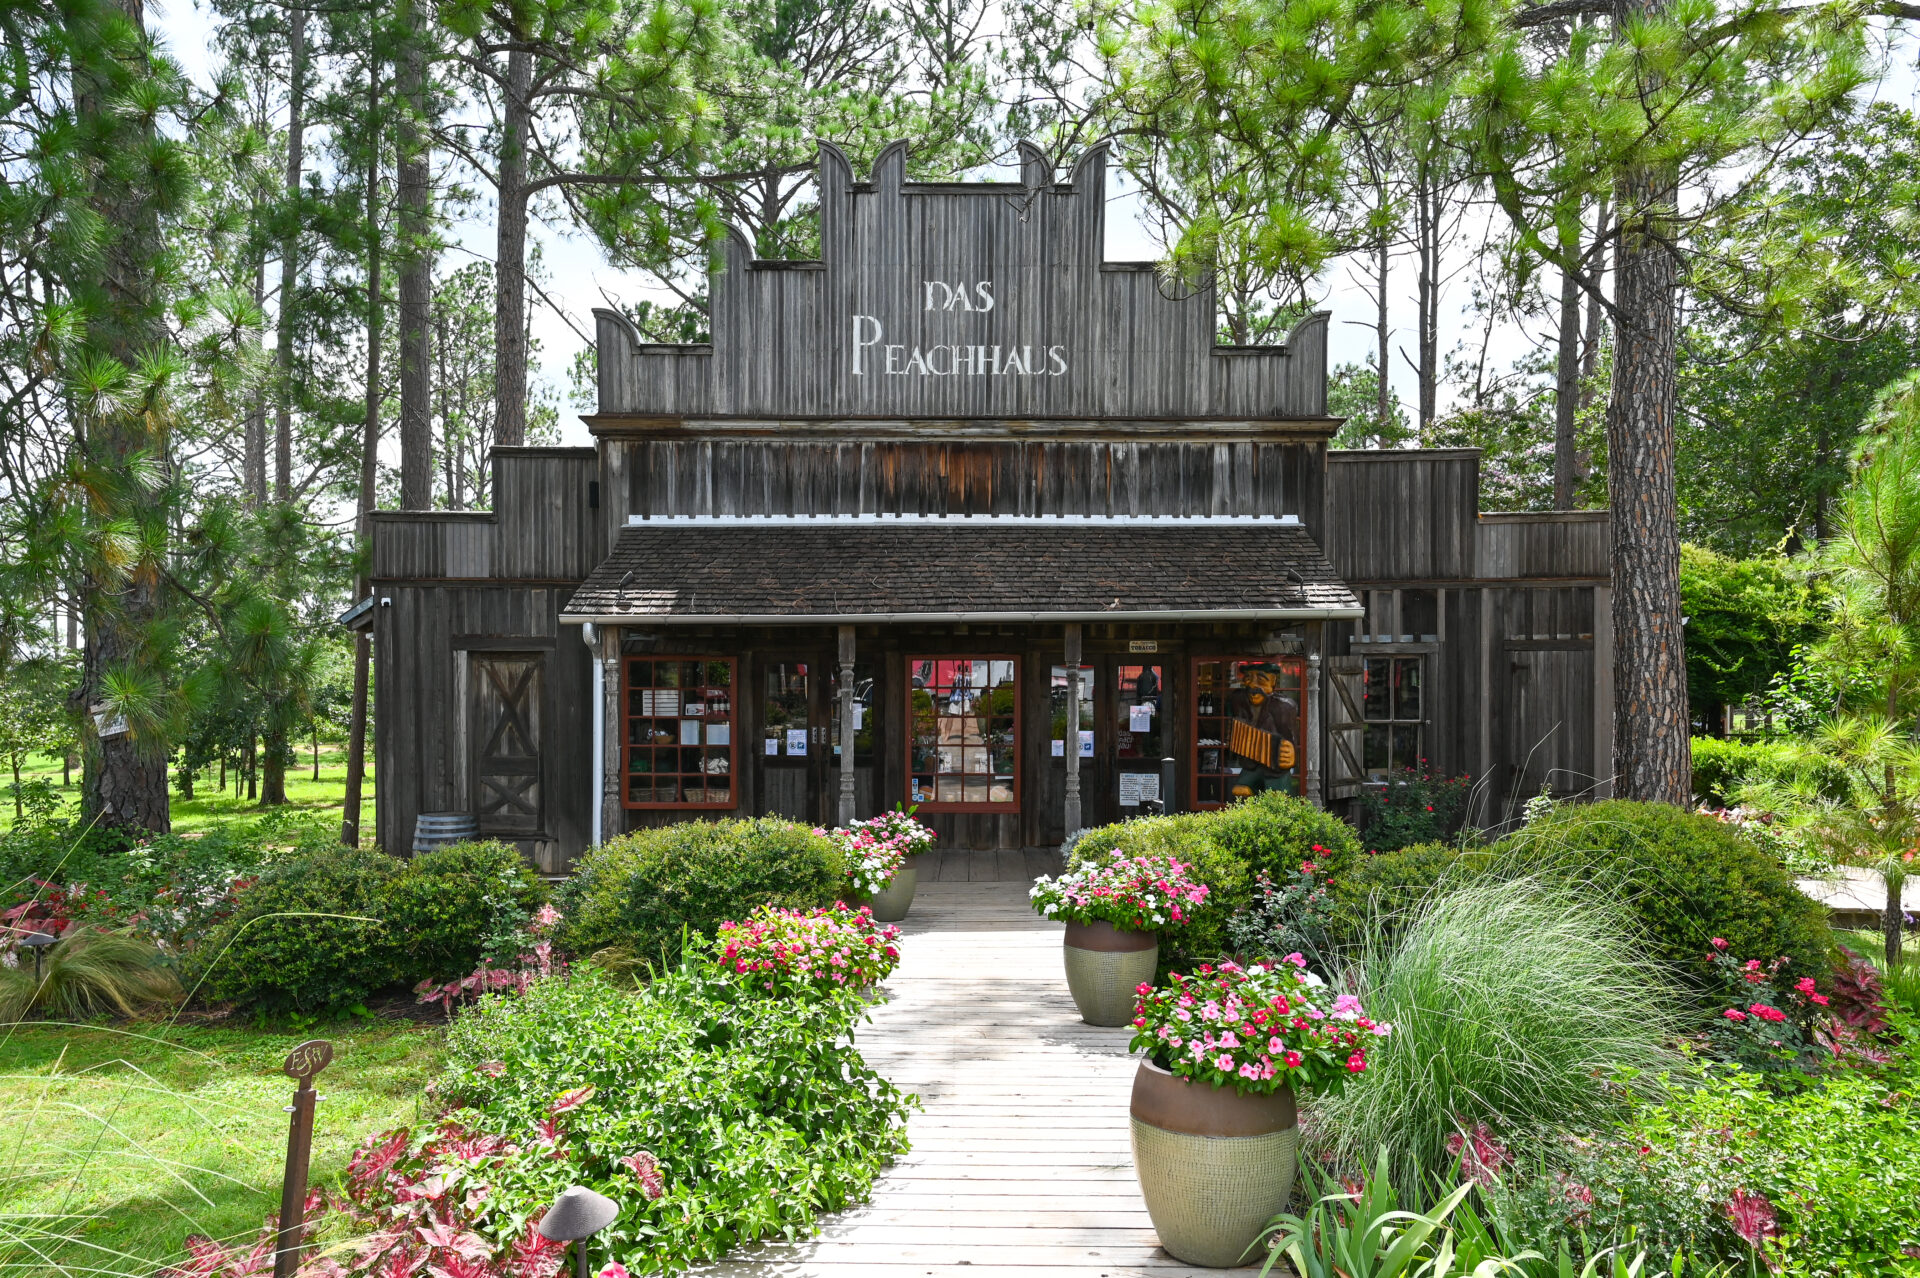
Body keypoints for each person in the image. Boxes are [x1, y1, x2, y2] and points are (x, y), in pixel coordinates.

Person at [1225, 662, 1299, 797]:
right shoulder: (1239, 701)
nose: (1253, 685)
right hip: (1250, 767)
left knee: (1278, 801)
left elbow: (1291, 739)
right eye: (1248, 678)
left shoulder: (1283, 707)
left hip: (1275, 771)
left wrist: (1290, 753)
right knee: (1239, 792)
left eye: (1260, 679)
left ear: (1273, 682)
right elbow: (1233, 730)